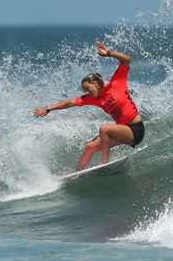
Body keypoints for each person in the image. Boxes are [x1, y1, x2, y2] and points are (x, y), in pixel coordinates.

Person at [33, 41, 144, 171]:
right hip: (121, 130)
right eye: (85, 90)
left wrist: (109, 53)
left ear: (96, 83)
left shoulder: (116, 82)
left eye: (88, 88)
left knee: (104, 129)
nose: (87, 92)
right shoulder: (92, 98)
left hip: (135, 129)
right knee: (89, 147)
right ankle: (78, 172)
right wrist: (48, 109)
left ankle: (104, 161)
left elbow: (126, 60)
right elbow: (70, 103)